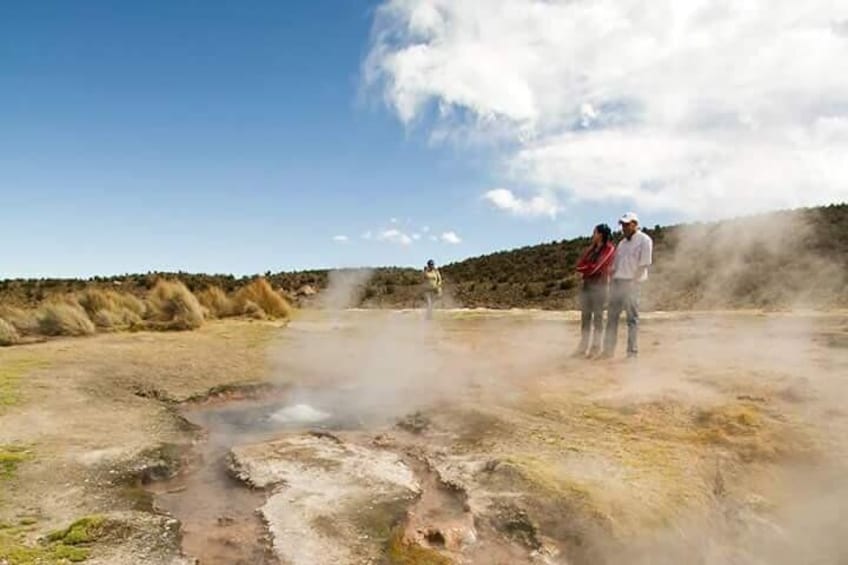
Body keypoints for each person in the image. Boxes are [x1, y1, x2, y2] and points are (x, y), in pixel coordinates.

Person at [602, 212, 653, 359]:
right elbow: (616, 266)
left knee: (632, 320)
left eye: (626, 224)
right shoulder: (622, 244)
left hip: (632, 283)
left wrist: (633, 282)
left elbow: (643, 265)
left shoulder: (645, 240)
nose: (623, 228)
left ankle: (632, 353)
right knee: (612, 317)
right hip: (618, 283)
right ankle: (608, 351)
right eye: (622, 225)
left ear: (635, 224)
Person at [573, 223, 615, 358]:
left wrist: (587, 268)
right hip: (587, 286)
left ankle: (595, 347)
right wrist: (587, 268)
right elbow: (579, 266)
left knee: (597, 317)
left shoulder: (609, 248)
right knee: (585, 317)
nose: (593, 235)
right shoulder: (590, 250)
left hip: (600, 287)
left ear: (601, 234)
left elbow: (598, 267)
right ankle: (583, 347)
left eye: (595, 232)